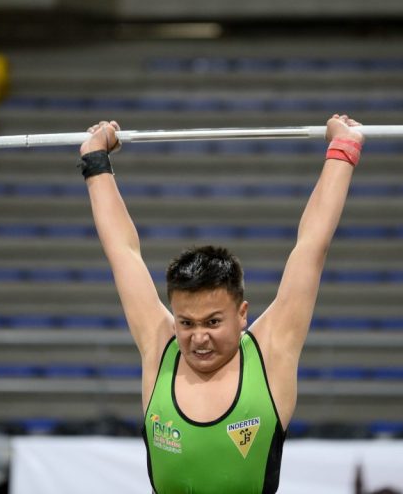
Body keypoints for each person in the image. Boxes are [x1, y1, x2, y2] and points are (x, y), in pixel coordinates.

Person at [79, 114, 363, 493]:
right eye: (187, 323)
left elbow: (312, 246)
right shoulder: (160, 345)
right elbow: (121, 252)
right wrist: (95, 160)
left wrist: (342, 148)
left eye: (213, 322)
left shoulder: (271, 354)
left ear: (242, 314)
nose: (198, 338)